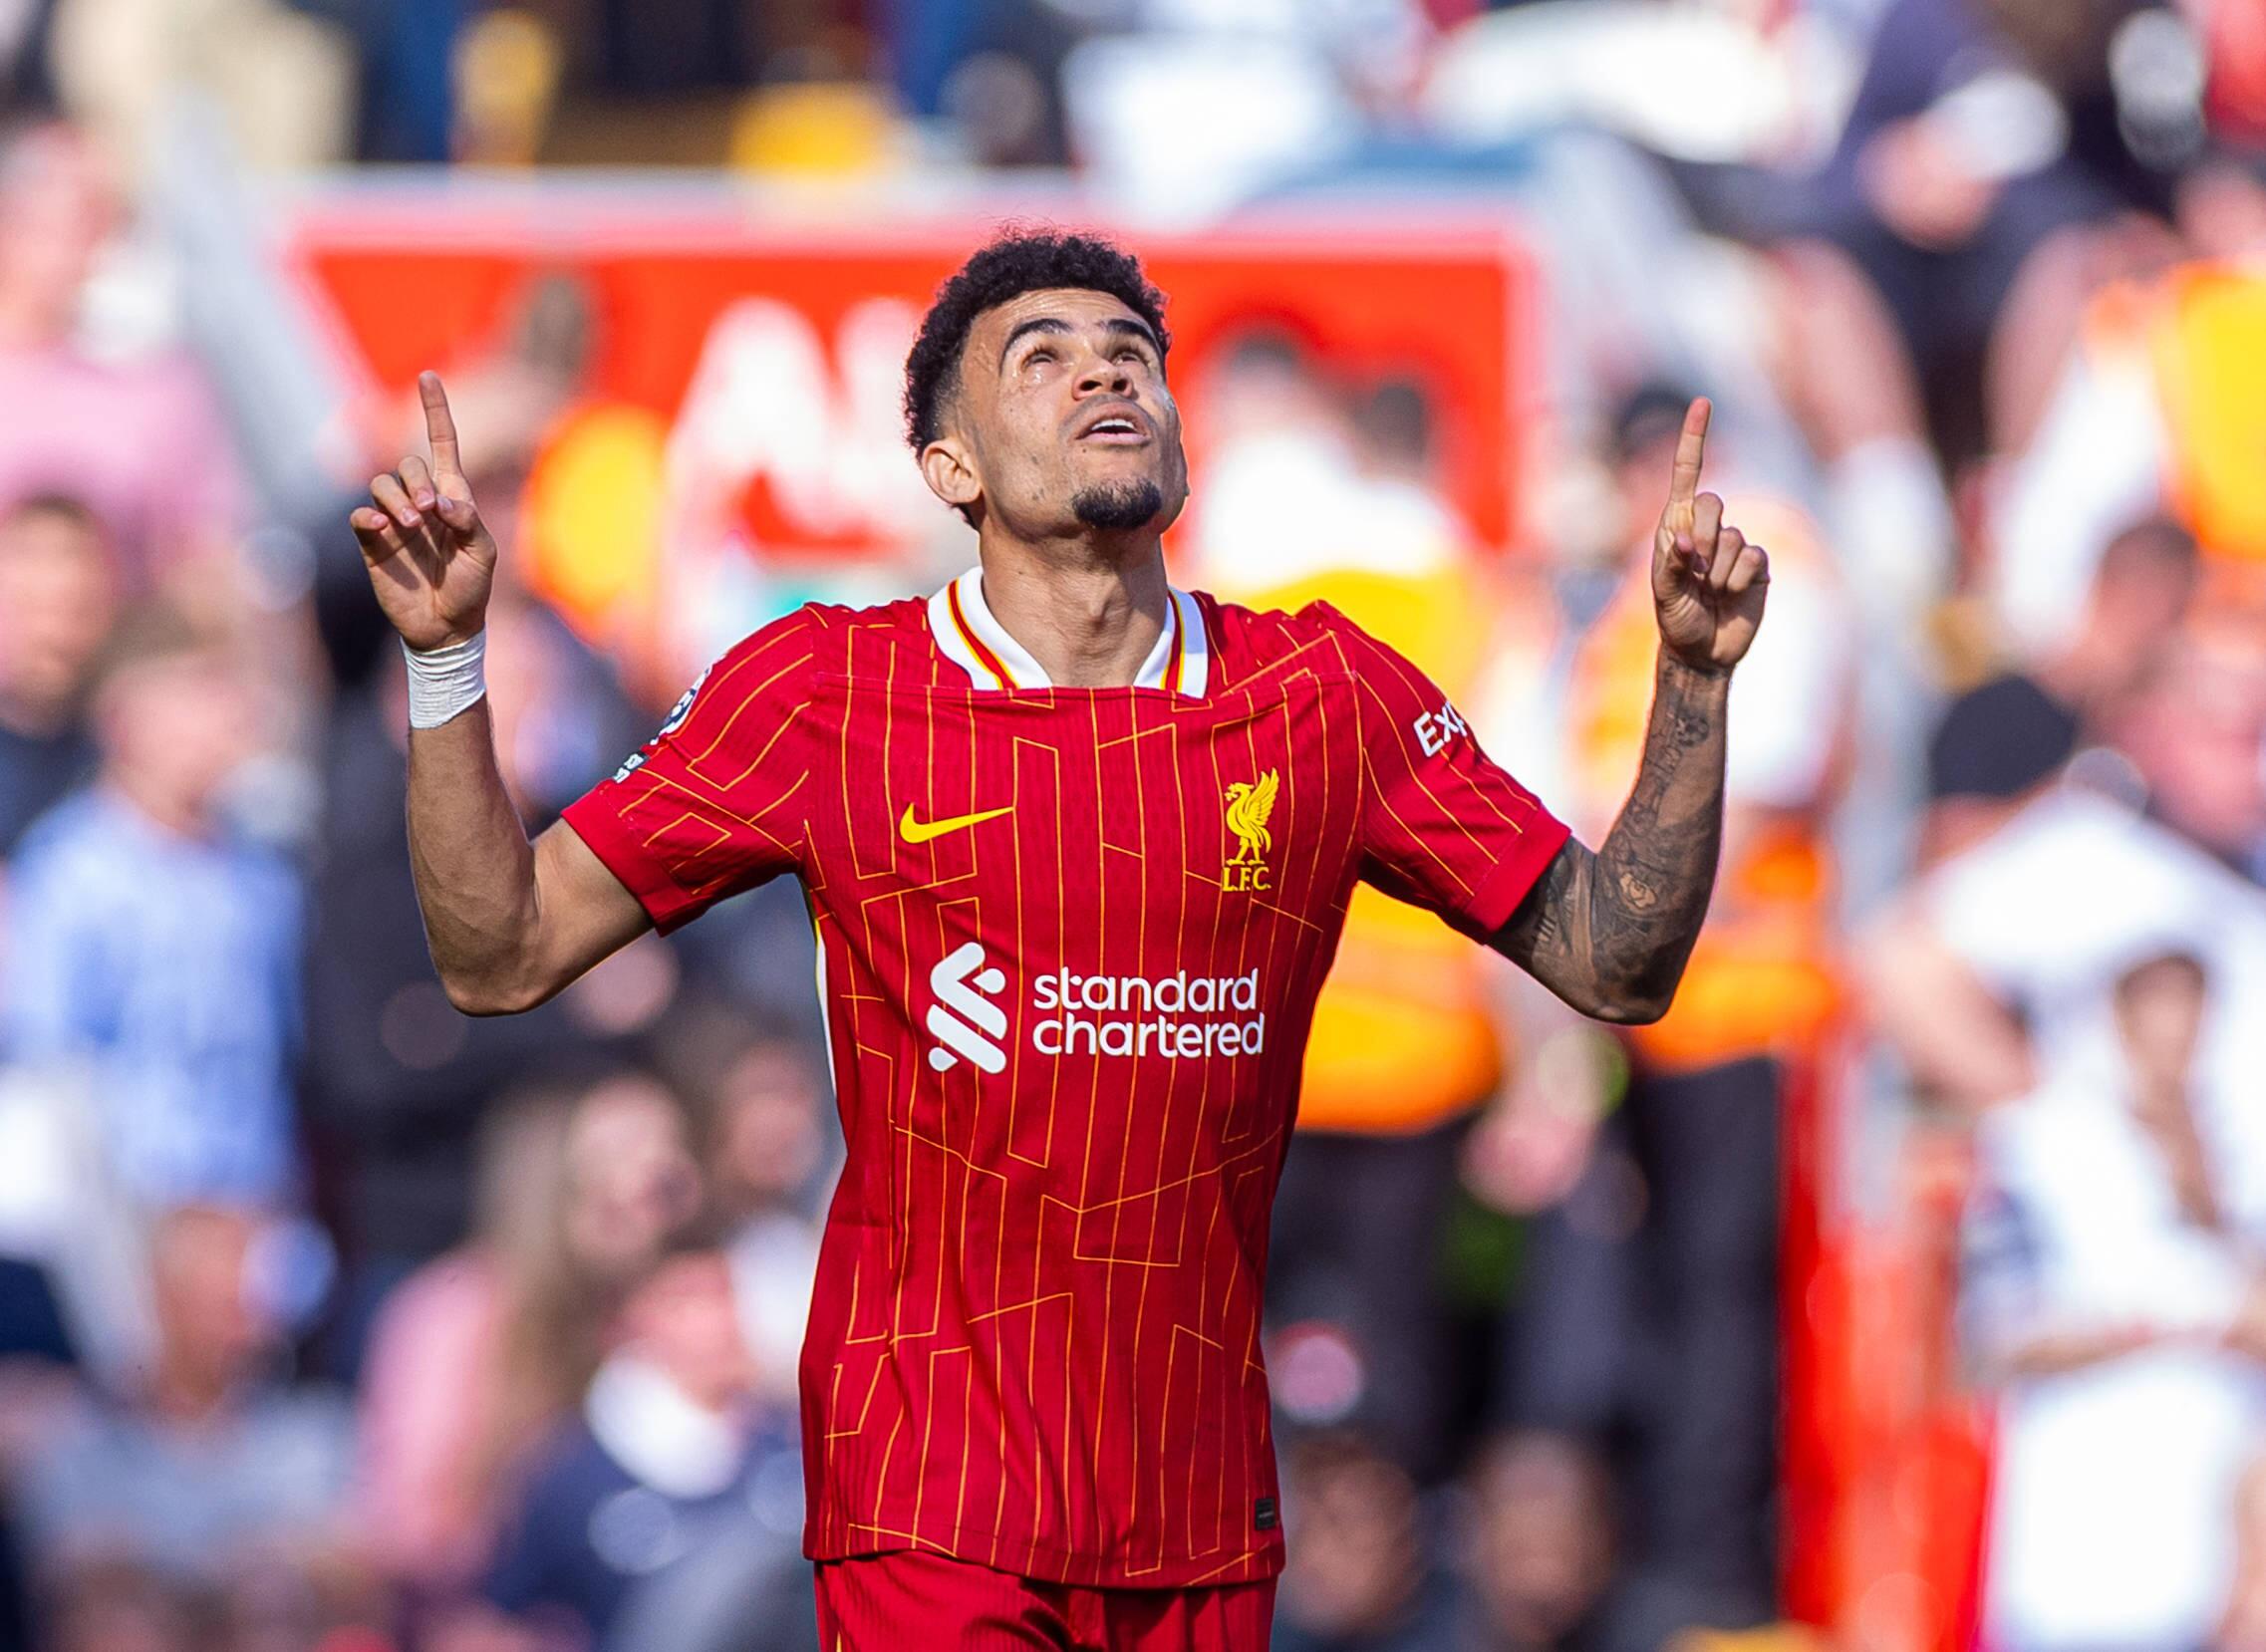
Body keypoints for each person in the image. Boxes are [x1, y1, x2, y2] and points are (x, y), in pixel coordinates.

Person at [349, 230, 1771, 1650]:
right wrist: (445, 657)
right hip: (933, 1495)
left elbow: (1613, 959)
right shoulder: (826, 693)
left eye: (1131, 355)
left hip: (1198, 1506)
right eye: (1042, 358)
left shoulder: (1324, 695)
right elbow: (501, 950)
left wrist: (1694, 688)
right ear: (950, 466)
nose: (1103, 374)